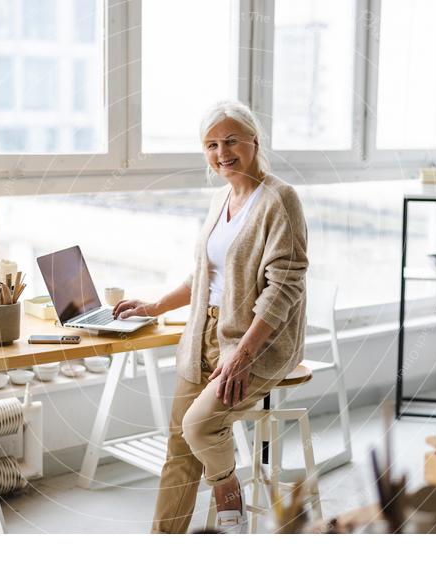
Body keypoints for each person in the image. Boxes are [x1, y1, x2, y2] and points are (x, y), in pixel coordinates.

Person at [113, 100, 308, 534]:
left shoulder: (280, 200)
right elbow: (203, 275)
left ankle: (227, 491)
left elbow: (284, 288)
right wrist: (155, 306)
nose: (222, 152)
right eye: (212, 144)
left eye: (232, 141)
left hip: (257, 341)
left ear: (254, 141)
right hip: (203, 334)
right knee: (178, 449)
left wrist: (242, 353)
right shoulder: (222, 198)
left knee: (199, 426)